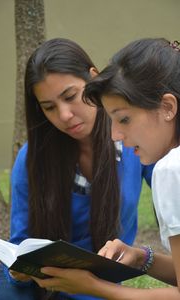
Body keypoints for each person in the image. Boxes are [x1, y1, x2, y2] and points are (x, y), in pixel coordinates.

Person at [0, 38, 154, 300]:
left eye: (70, 96)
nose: (63, 115)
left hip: (96, 288)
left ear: (93, 79)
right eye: (49, 107)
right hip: (37, 288)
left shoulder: (132, 139)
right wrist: (18, 270)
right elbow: (20, 242)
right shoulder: (33, 158)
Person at [30, 38, 180, 299]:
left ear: (167, 107)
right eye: (49, 107)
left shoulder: (171, 169)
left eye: (124, 119)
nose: (114, 134)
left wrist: (96, 288)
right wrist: (142, 258)